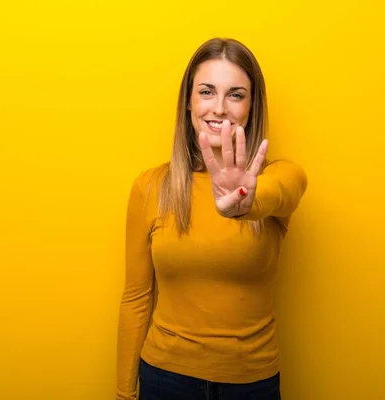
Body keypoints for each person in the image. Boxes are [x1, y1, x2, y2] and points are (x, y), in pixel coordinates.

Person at [116, 37, 308, 400]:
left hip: (252, 383)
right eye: (207, 92)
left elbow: (287, 190)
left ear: (251, 107)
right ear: (188, 101)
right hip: (164, 379)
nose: (219, 108)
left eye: (236, 95)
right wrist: (124, 393)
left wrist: (246, 201)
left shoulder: (278, 177)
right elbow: (136, 298)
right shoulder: (151, 186)